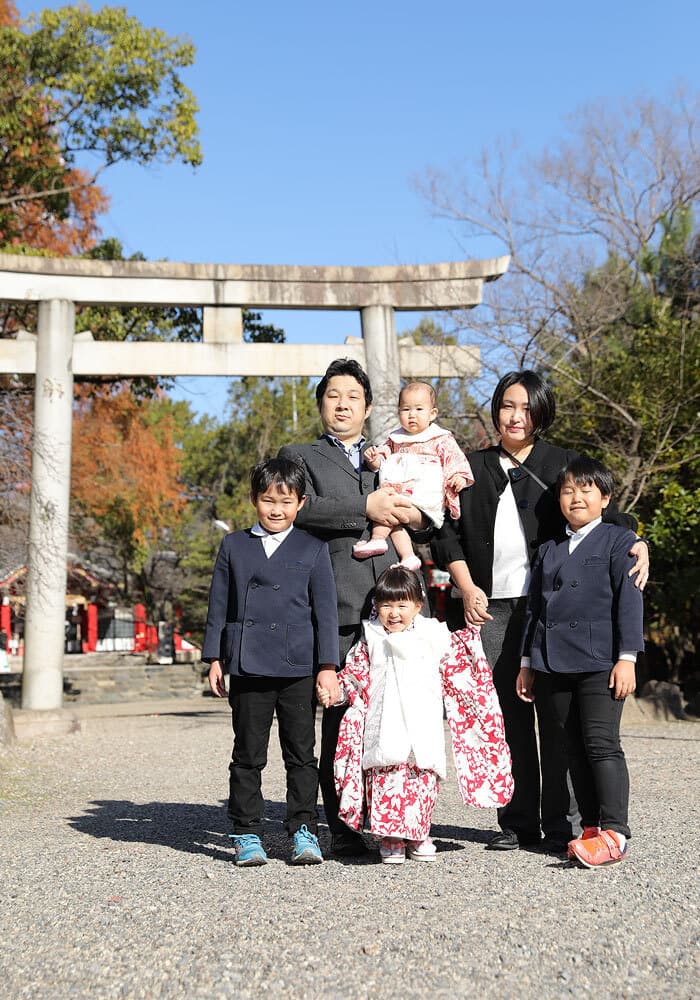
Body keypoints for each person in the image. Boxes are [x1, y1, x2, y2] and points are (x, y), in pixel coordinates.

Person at [431, 370, 649, 853]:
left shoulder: (563, 463)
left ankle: (565, 824)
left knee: (558, 722)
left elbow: (608, 515)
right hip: (489, 609)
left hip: (550, 609)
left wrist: (640, 543)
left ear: (542, 413)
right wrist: (466, 588)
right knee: (507, 717)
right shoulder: (470, 466)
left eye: (527, 408)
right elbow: (444, 533)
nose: (516, 416)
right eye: (508, 405)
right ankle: (517, 821)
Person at [278, 358, 429, 857]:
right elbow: (300, 509)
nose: (342, 405)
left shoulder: (392, 452)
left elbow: (425, 510)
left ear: (367, 407)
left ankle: (389, 815)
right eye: (333, 396)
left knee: (396, 715)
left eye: (353, 397)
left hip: (396, 605)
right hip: (339, 605)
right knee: (342, 719)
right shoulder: (299, 456)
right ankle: (343, 824)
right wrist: (364, 509)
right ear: (321, 403)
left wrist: (416, 514)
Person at [317, 565, 513, 864]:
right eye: (385, 605)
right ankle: (391, 839)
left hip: (421, 728)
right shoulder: (370, 640)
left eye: (401, 605)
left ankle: (418, 834)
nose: (393, 613)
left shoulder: (434, 635)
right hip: (383, 727)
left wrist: (473, 635)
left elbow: (459, 666)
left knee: (421, 784)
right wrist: (336, 693)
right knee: (386, 784)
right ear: (376, 607)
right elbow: (354, 678)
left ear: (418, 606)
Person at [201, 457, 339, 867]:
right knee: (248, 753)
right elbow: (217, 605)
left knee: (301, 754)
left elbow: (326, 612)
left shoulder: (313, 548)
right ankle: (246, 832)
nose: (275, 509)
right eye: (267, 500)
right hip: (246, 663)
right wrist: (213, 657)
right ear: (253, 500)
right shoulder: (234, 546)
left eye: (285, 501)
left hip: (298, 664)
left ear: (301, 503)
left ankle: (303, 829)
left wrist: (327, 666)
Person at [517, 457, 643, 868]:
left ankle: (616, 832)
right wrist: (527, 661)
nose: (576, 498)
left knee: (602, 745)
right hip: (552, 662)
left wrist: (627, 658)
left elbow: (629, 601)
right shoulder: (550, 548)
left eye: (586, 490)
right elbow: (536, 609)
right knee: (571, 748)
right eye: (568, 491)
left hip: (600, 661)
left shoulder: (618, 540)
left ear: (605, 498)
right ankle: (591, 829)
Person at [353, 381, 473, 571]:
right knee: (393, 517)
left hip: (423, 498)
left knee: (391, 511)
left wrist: (459, 477)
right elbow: (381, 459)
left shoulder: (440, 438)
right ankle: (407, 555)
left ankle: (377, 538)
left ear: (432, 413)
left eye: (418, 409)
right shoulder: (395, 438)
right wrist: (374, 459)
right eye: (406, 409)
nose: (412, 415)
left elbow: (455, 460)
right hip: (399, 494)